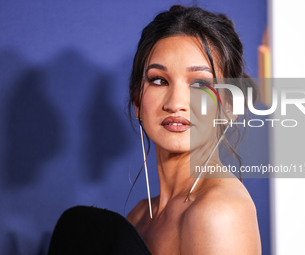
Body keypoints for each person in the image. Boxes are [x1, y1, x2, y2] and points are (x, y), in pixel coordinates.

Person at [48, 5, 261, 255]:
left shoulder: (220, 212)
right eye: (159, 80)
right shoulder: (139, 217)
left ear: (229, 106)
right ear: (137, 100)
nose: (175, 103)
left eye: (200, 84)